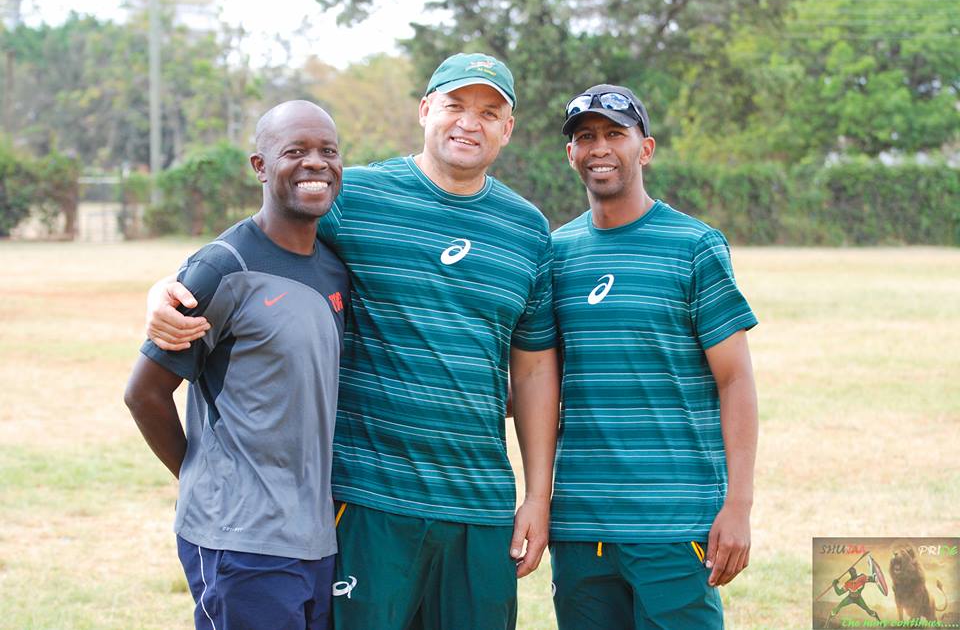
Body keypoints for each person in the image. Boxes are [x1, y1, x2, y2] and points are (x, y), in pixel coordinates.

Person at [144, 53, 560, 630]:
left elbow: (535, 369)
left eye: (490, 112)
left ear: (508, 129)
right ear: (425, 111)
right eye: (455, 106)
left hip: (479, 503)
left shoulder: (528, 229)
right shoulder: (354, 197)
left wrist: (537, 497)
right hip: (366, 500)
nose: (471, 122)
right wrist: (164, 289)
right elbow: (258, 244)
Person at [124, 100, 349, 630]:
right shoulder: (222, 266)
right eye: (294, 151)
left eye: (328, 151)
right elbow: (144, 394)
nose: (315, 163)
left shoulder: (335, 268)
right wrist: (202, 479)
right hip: (240, 540)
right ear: (260, 166)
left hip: (316, 536)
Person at [548, 84, 759, 629]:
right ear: (570, 154)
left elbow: (735, 380)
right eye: (585, 137)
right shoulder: (554, 254)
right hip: (579, 526)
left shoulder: (695, 246)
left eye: (615, 134)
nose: (599, 148)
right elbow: (537, 384)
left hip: (674, 522)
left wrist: (738, 505)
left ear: (646, 148)